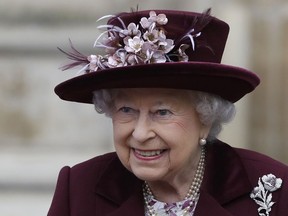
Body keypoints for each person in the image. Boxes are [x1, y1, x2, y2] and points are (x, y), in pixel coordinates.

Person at [47, 8, 288, 216]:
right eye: (126, 109)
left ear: (205, 119)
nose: (140, 134)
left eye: (162, 112)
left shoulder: (274, 188)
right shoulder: (79, 187)